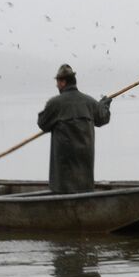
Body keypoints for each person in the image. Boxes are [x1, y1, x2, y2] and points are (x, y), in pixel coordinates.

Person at [37, 64, 111, 194]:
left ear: (63, 82)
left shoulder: (55, 104)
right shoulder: (90, 102)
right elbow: (103, 118)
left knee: (63, 191)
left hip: (62, 179)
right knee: (84, 189)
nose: (56, 85)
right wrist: (104, 105)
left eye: (57, 82)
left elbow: (43, 124)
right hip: (85, 174)